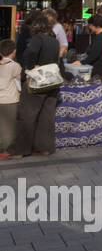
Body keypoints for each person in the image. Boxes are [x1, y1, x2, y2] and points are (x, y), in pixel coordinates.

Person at [12, 14, 61, 158]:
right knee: (47, 116)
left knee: (27, 115)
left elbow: (30, 53)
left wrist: (30, 67)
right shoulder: (54, 41)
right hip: (52, 82)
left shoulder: (37, 39)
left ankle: (21, 150)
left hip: (37, 81)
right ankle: (45, 147)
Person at [0, 40, 21, 160]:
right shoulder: (15, 66)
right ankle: (5, 150)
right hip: (10, 99)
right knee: (9, 127)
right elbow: (19, 79)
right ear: (14, 51)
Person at [82, 13, 102, 80]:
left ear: (96, 26)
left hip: (99, 70)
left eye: (90, 25)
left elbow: (94, 55)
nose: (89, 27)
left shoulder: (100, 38)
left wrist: (82, 62)